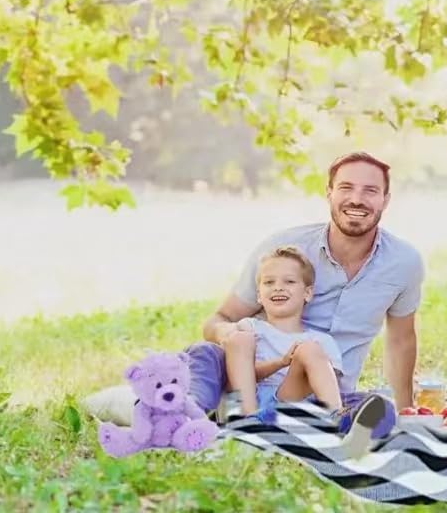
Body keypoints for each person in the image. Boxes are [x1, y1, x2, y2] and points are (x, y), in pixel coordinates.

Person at [83, 151, 424, 455]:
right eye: (346, 187)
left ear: (386, 199)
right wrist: (233, 336)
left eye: (370, 191)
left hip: (323, 392)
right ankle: (189, 418)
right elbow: (218, 320)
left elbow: (401, 340)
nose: (357, 199)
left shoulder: (403, 263)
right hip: (247, 378)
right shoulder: (284, 247)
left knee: (379, 408)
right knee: (203, 353)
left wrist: (407, 408)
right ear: (329, 193)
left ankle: (342, 425)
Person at [226, 246, 344, 422]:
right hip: (255, 402)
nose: (278, 288)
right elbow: (239, 374)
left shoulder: (321, 341)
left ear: (307, 293)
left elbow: (327, 382)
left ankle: (337, 416)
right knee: (238, 338)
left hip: (292, 401)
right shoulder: (251, 328)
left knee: (309, 350)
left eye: (289, 281)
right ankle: (247, 420)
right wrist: (280, 363)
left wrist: (300, 360)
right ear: (259, 295)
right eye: (269, 282)